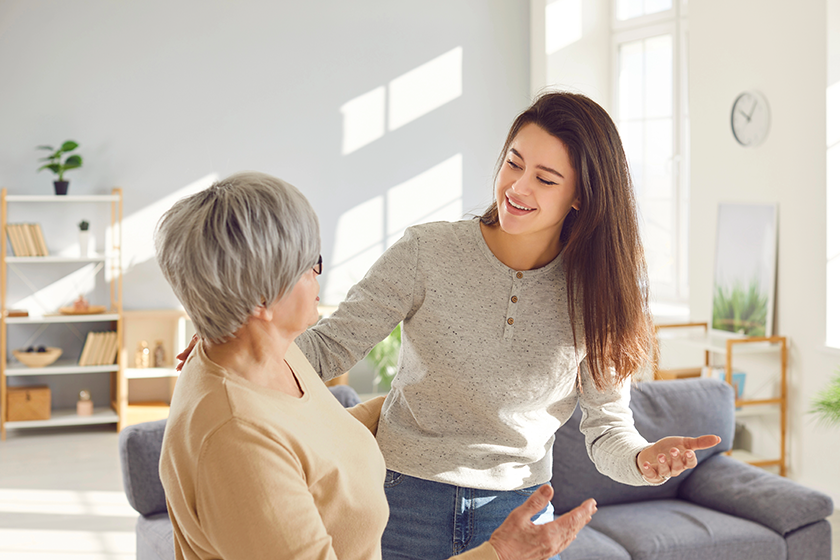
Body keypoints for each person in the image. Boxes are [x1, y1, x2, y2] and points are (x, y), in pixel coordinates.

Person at [287, 91, 722, 560]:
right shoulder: (427, 253)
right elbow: (329, 346)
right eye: (514, 164)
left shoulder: (600, 294)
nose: (518, 187)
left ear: (581, 197)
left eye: (546, 179)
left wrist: (643, 460)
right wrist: (237, 353)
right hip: (402, 500)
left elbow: (607, 428)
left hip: (519, 512)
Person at [156, 171, 597, 560]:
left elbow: (313, 439)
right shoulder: (236, 440)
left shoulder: (272, 352)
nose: (318, 278)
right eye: (310, 267)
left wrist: (452, 400)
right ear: (260, 300)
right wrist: (499, 554)